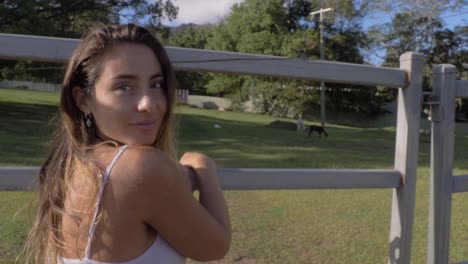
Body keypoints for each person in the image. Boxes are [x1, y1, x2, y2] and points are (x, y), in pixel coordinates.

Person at [23, 24, 231, 264]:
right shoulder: (140, 167)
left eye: (156, 84)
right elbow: (214, 247)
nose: (148, 104)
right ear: (83, 100)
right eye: (124, 87)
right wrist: (204, 168)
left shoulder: (71, 166)